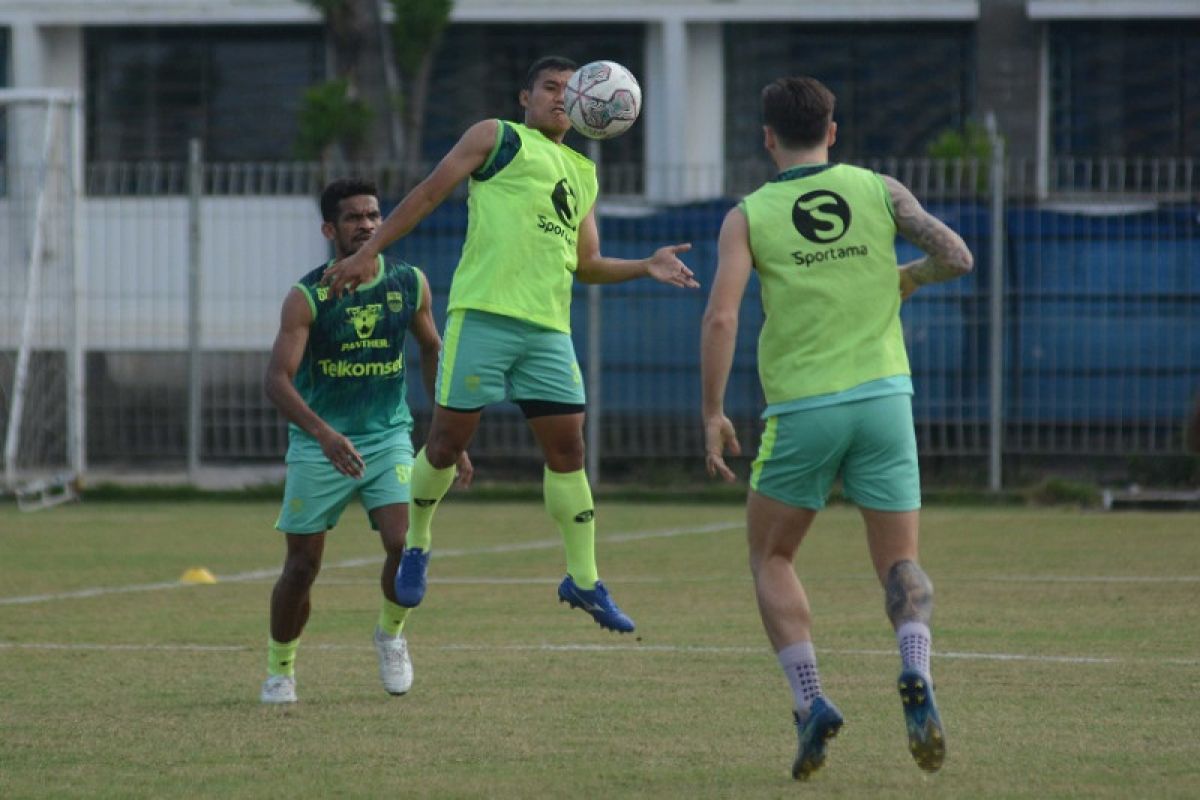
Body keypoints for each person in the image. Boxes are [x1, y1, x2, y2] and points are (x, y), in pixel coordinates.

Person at [320, 56, 698, 634]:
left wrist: (645, 265)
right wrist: (368, 251)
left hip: (547, 329)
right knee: (446, 445)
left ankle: (585, 579)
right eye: (550, 88)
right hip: (484, 317)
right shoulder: (497, 137)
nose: (560, 98)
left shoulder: (582, 171)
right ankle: (418, 543)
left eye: (570, 92)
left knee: (569, 451)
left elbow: (588, 264)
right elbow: (427, 193)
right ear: (525, 96)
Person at [700, 77, 973, 779]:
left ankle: (812, 701)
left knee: (773, 558)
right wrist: (905, 279)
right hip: (885, 398)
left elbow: (723, 316)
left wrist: (712, 410)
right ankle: (915, 666)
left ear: (767, 138)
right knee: (899, 565)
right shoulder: (880, 189)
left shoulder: (749, 215)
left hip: (804, 409)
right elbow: (957, 257)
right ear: (833, 130)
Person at [260, 177, 472, 705]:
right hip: (319, 444)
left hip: (388, 440)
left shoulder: (409, 283)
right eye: (354, 218)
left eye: (374, 215)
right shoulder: (307, 296)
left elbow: (431, 351)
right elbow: (277, 380)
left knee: (405, 547)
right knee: (301, 568)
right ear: (330, 229)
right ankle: (280, 669)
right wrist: (324, 434)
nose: (368, 225)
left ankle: (390, 635)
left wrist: (450, 433)